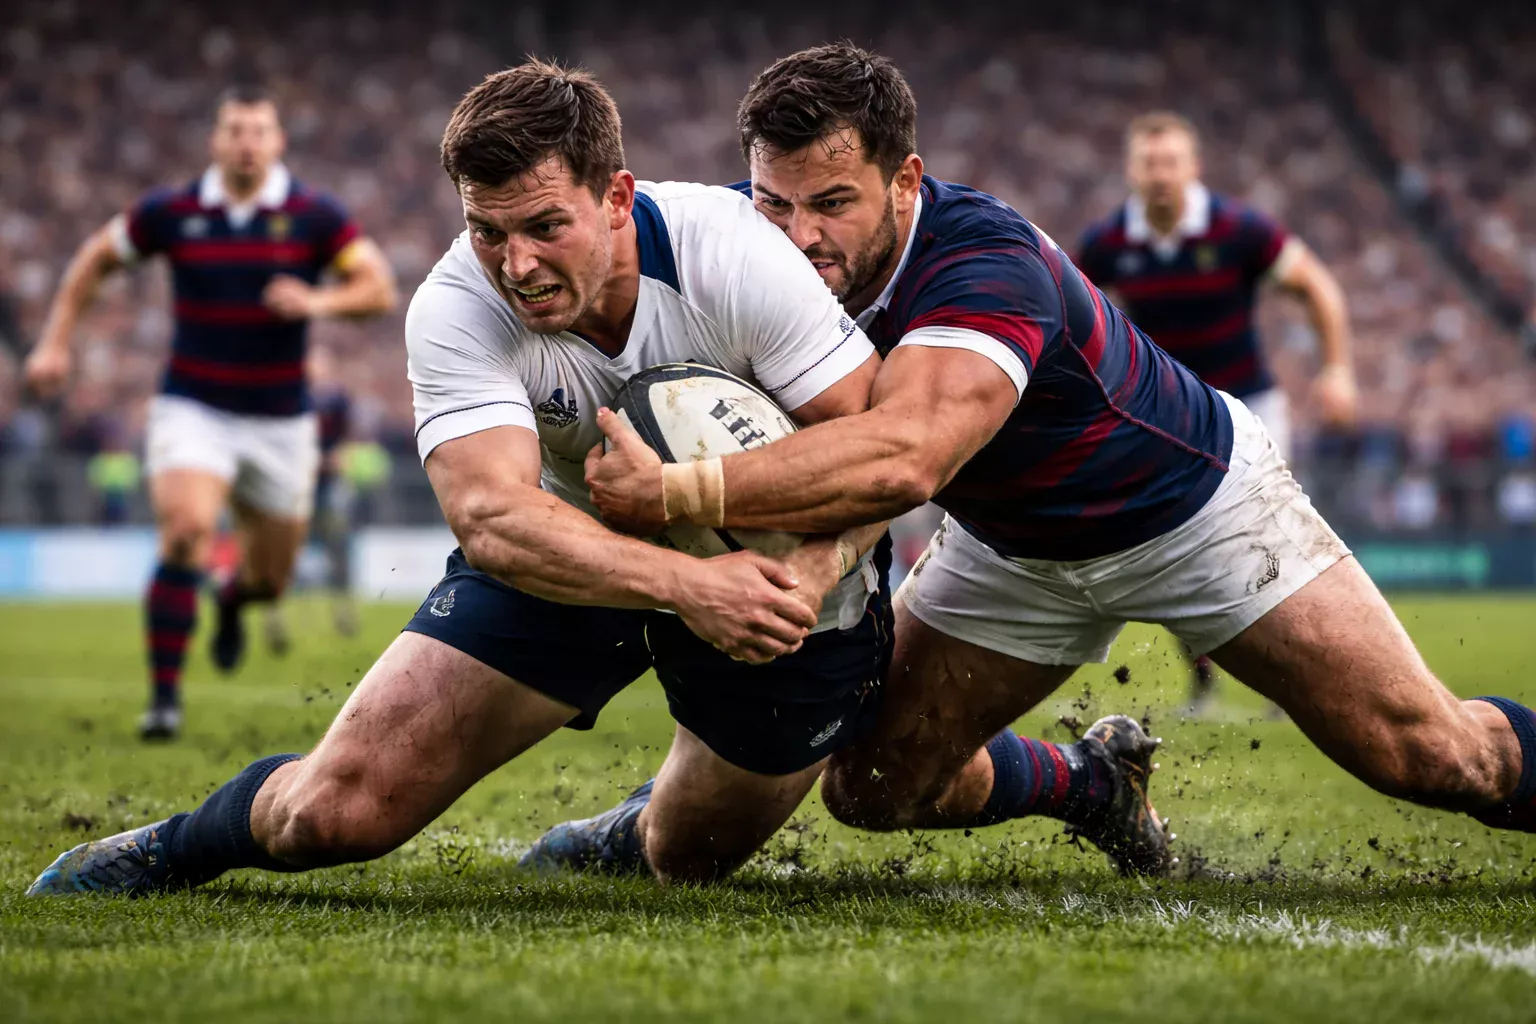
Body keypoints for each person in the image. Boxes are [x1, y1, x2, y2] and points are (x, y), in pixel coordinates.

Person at [574, 44, 1536, 872]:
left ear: (907, 181)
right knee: (873, 787)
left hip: (1194, 510)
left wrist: (674, 490)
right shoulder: (757, 250)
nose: (798, 234)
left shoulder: (982, 261)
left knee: (1434, 758)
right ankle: (1094, 782)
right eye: (773, 202)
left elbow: (905, 457)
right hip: (1012, 549)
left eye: (833, 203)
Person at [27, 58, 900, 897]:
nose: (515, 264)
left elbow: (876, 454)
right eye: (488, 230)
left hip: (783, 580)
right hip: (576, 555)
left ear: (618, 197)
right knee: (331, 816)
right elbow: (492, 518)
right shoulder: (455, 305)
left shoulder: (733, 254)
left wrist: (811, 571)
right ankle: (170, 847)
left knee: (687, 855)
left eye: (545, 226)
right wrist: (686, 582)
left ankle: (619, 830)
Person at [24, 85, 397, 740]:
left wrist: (317, 305)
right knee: (187, 530)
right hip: (193, 404)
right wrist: (56, 341)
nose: (247, 142)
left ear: (278, 141)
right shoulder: (173, 211)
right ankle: (164, 700)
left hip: (282, 418)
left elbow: (377, 288)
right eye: (235, 130)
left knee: (270, 582)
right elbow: (95, 259)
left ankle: (230, 601)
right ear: (215, 141)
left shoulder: (314, 215)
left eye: (259, 131)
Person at [1075, 111, 1358, 713]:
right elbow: (1069, 320)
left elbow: (1317, 287)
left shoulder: (1239, 229)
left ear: (1193, 168)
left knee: (1277, 540)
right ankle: (1202, 679)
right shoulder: (1108, 244)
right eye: (1149, 163)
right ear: (1131, 170)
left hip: (1250, 403)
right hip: (1165, 413)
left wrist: (1336, 369)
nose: (1160, 175)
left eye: (1171, 162)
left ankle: (1298, 681)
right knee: (1172, 540)